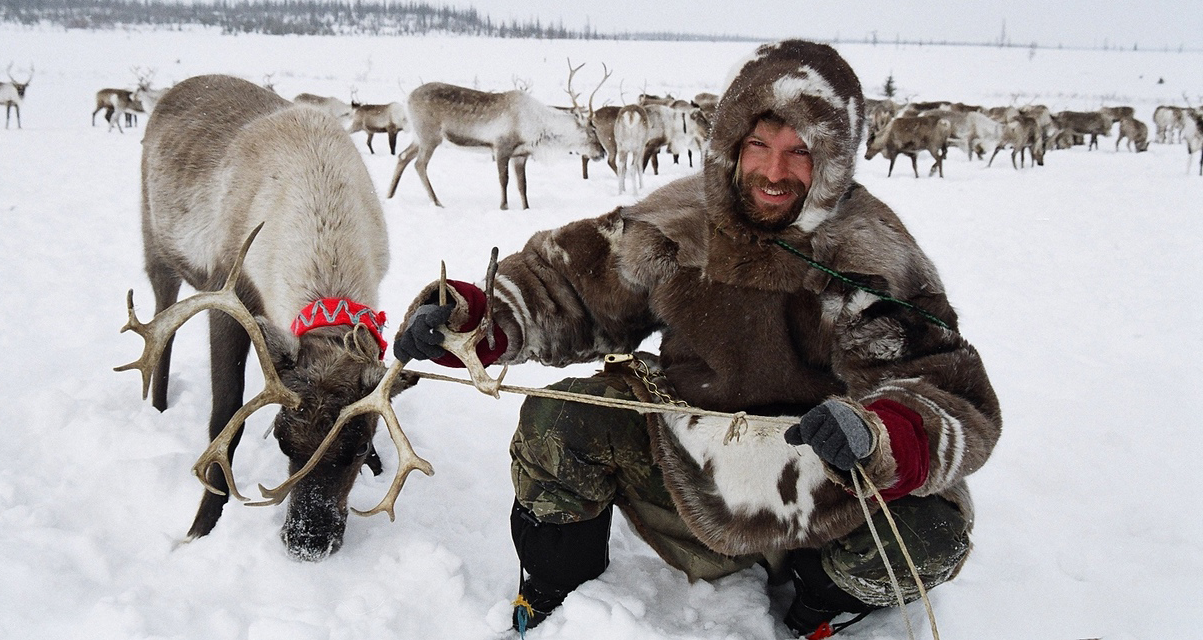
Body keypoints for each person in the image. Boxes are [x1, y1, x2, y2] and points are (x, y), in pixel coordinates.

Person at [394, 40, 1001, 638]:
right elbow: (569, 289)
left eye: (800, 151)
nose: (774, 170)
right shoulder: (680, 223)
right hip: (686, 454)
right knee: (562, 419)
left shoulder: (870, 255)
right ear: (731, 143)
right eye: (758, 145)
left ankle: (820, 608)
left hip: (821, 484)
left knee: (931, 534)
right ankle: (558, 591)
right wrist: (474, 320)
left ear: (834, 158)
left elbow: (944, 390)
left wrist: (879, 435)